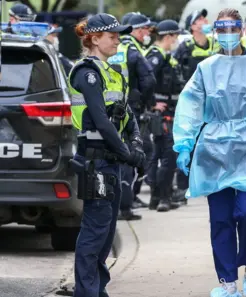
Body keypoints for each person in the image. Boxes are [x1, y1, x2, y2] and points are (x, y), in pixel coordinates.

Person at [173, 8, 246, 297]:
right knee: (221, 218)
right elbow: (190, 105)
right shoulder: (206, 68)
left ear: (241, 31)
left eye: (231, 29)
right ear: (216, 32)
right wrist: (184, 143)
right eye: (221, 30)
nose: (226, 36)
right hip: (215, 150)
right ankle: (227, 281)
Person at [69, 13, 145, 297]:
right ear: (94, 39)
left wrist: (136, 143)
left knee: (106, 233)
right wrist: (127, 153)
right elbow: (100, 120)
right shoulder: (86, 72)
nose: (117, 40)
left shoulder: (112, 72)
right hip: (95, 161)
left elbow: (128, 113)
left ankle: (97, 289)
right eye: (112, 36)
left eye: (118, 36)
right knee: (95, 231)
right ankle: (87, 292)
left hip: (110, 162)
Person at [108, 13, 156, 219]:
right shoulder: (133, 50)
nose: (147, 33)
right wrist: (141, 100)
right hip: (128, 111)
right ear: (135, 29)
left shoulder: (108, 47)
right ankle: (125, 207)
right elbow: (149, 79)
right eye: (144, 29)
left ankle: (113, 204)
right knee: (131, 154)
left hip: (104, 112)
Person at [173, 8, 220, 204]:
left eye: (204, 18)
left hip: (215, 102)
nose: (204, 21)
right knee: (188, 142)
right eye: (200, 19)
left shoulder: (215, 45)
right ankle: (182, 187)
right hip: (193, 102)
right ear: (192, 26)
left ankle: (211, 182)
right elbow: (174, 70)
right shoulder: (185, 46)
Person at [145, 19, 185, 211]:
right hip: (163, 116)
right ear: (169, 36)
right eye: (176, 36)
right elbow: (145, 82)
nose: (177, 40)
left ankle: (160, 196)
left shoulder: (166, 56)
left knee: (163, 155)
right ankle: (162, 198)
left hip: (170, 112)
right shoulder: (155, 56)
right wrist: (152, 103)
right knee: (167, 156)